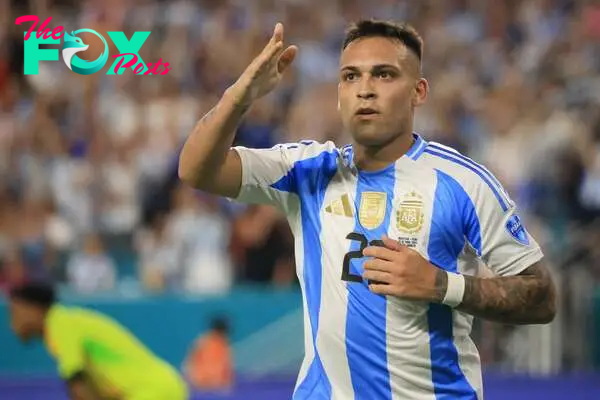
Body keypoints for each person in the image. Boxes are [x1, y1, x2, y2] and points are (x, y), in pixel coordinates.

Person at [178, 19, 557, 399]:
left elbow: (541, 297)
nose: (365, 90)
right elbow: (196, 169)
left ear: (418, 91)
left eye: (384, 75)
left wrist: (442, 285)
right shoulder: (308, 170)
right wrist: (241, 96)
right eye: (350, 77)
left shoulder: (463, 183)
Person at [7, 282, 189, 400]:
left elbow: (77, 385)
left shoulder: (61, 324)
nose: (11, 323)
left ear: (33, 310)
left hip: (152, 392)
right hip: (164, 387)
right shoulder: (67, 323)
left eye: (14, 313)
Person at [183, 316, 233, 391]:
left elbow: (226, 366)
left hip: (211, 384)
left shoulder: (222, 343)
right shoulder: (205, 342)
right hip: (202, 384)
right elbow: (190, 362)